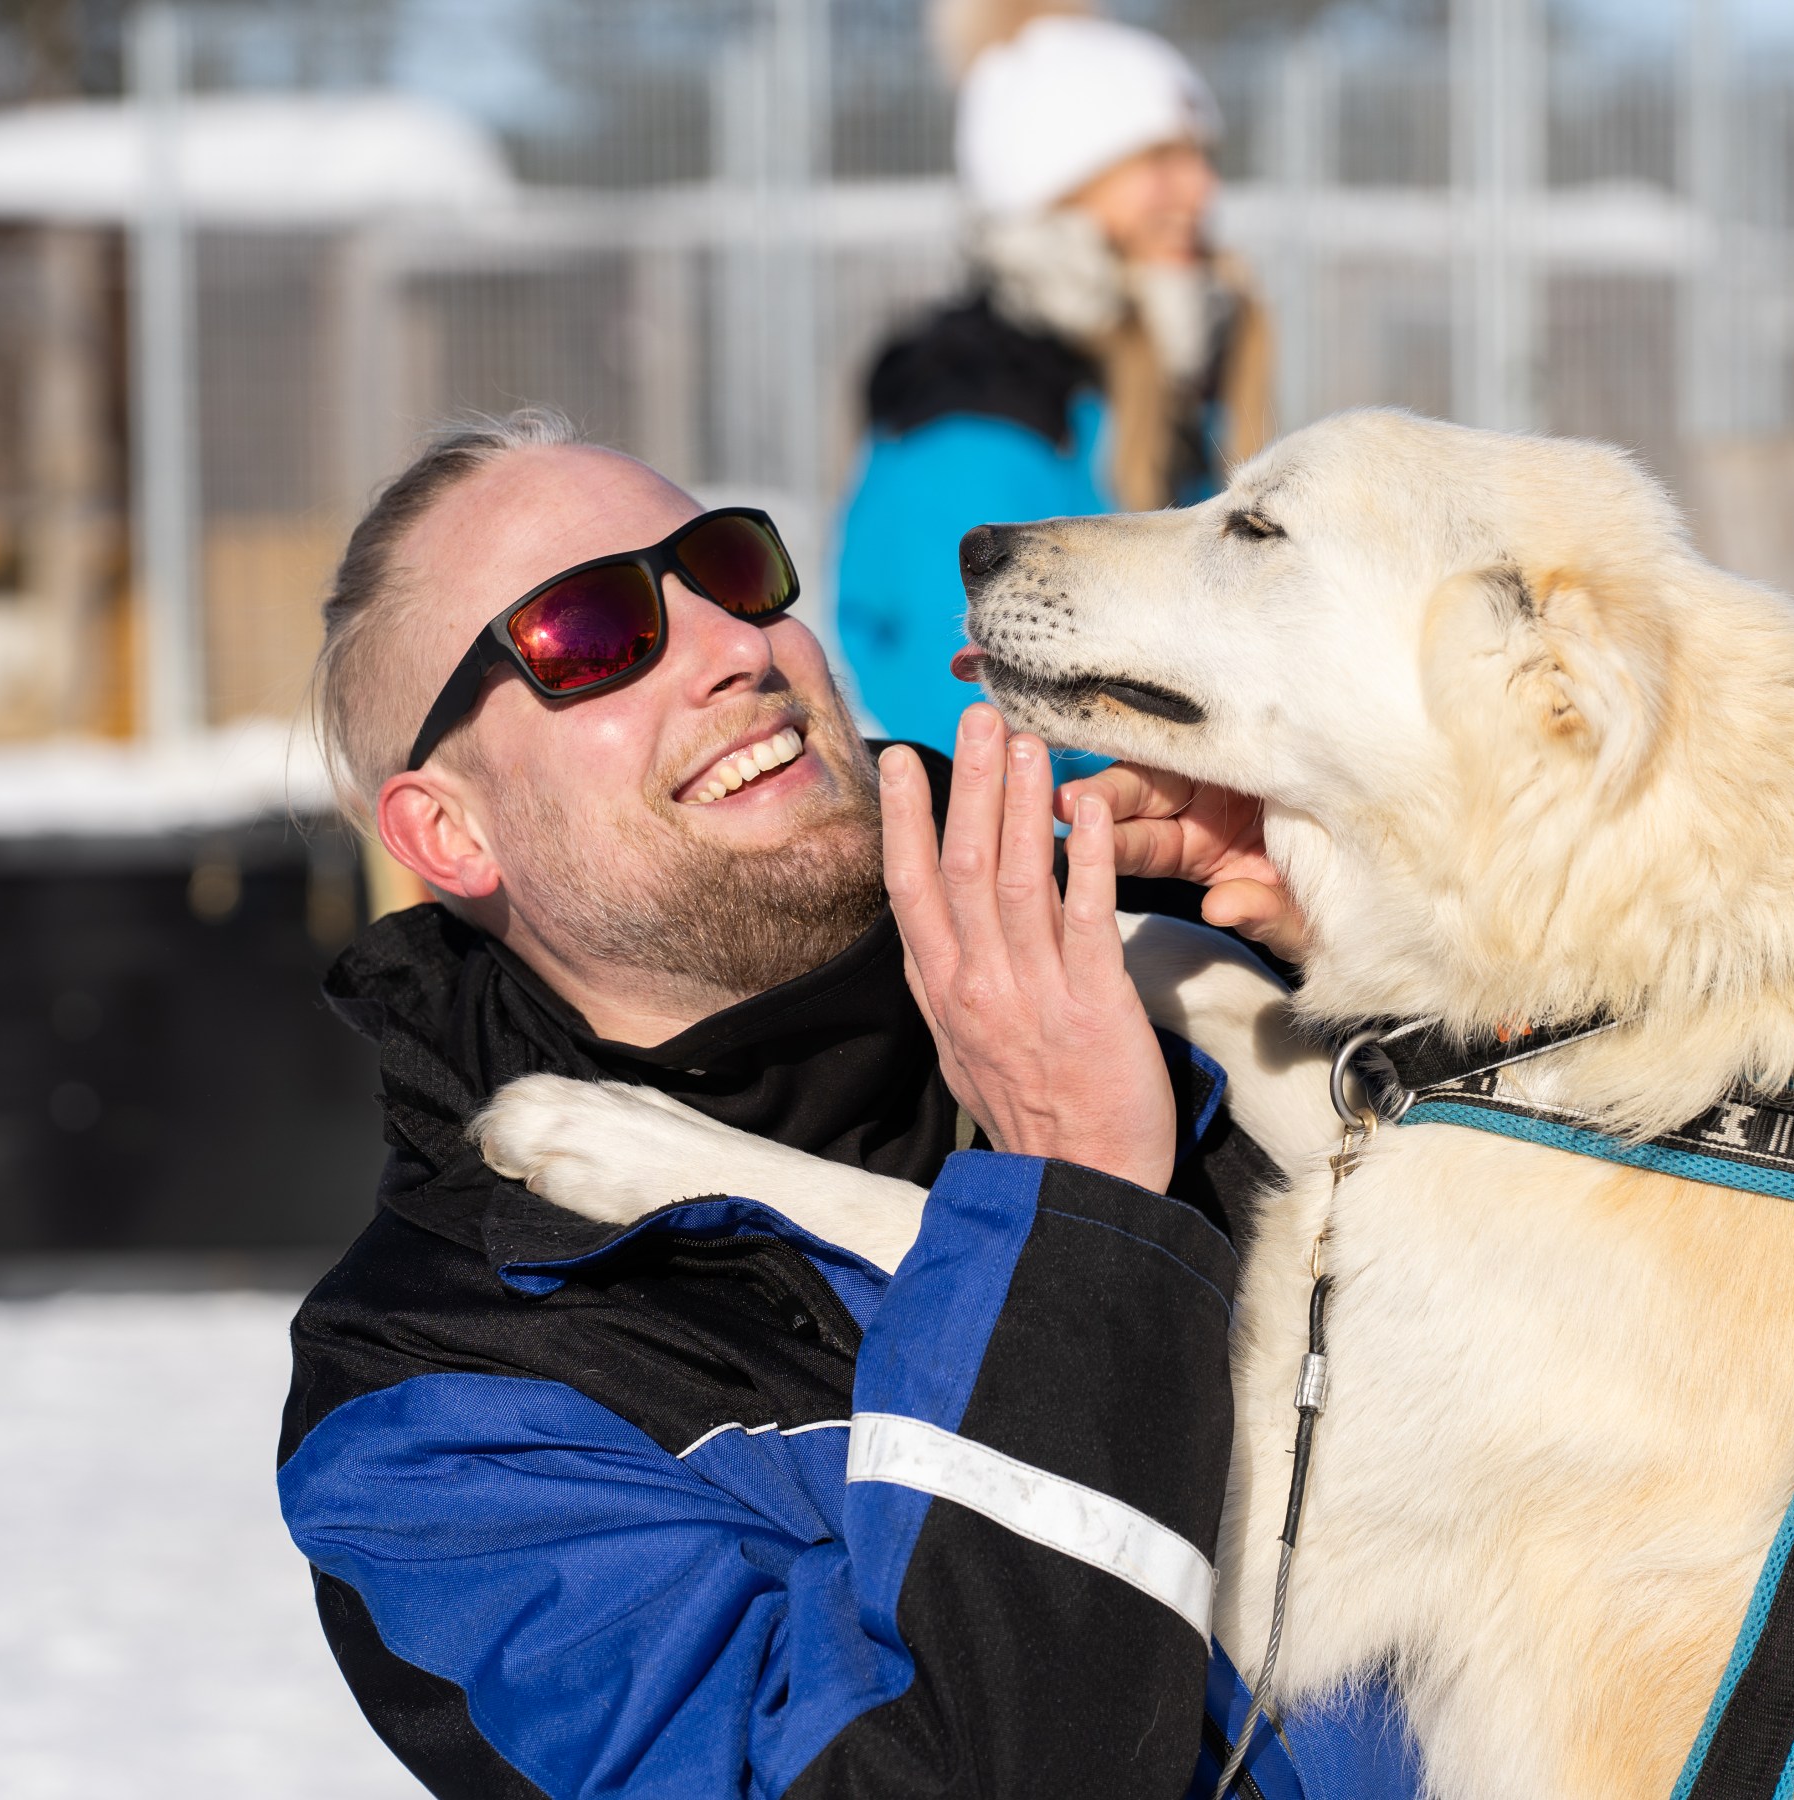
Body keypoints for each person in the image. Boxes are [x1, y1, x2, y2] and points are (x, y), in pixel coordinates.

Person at [275, 410, 1314, 1800]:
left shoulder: (1215, 929)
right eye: (592, 633)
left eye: (732, 566)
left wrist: (1422, 974)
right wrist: (1079, 1218)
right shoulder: (445, 1400)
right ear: (447, 833)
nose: (734, 647)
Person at [834, 0, 1274, 763]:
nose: (1201, 190)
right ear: (1057, 186)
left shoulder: (1156, 396)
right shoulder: (977, 419)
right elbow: (982, 731)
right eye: (1160, 160)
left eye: (1201, 158)